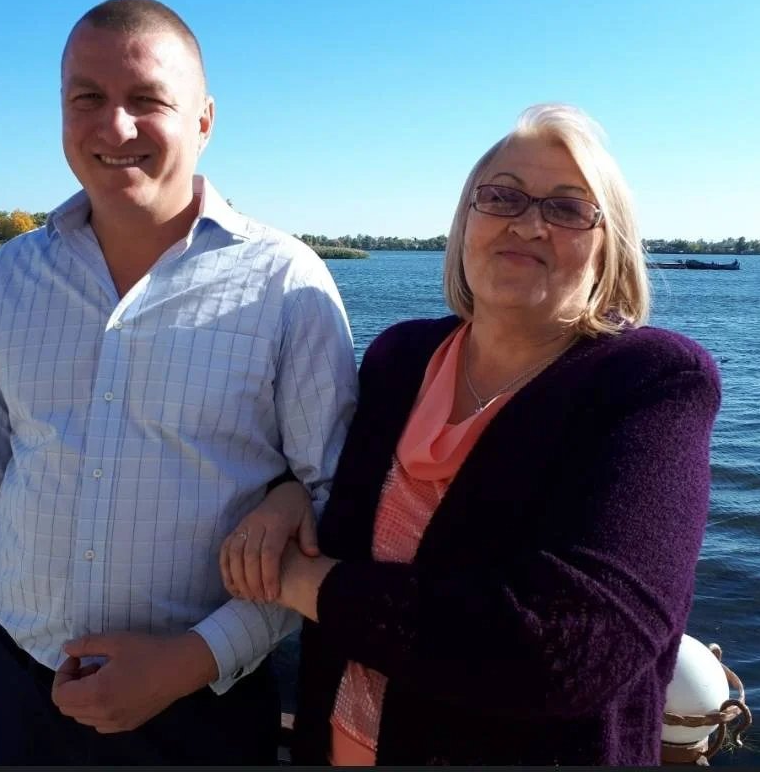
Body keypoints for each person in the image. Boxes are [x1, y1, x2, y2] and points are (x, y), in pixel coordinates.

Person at [0, 0, 357, 766]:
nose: (115, 128)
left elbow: (330, 501)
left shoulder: (286, 283)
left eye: (147, 100)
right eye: (88, 99)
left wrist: (195, 657)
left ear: (204, 121)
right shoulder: (8, 277)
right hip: (16, 691)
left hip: (199, 711)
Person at [222, 104, 721, 765]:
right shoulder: (399, 359)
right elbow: (333, 483)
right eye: (501, 196)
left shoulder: (647, 381)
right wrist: (289, 494)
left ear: (609, 243)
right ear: (466, 221)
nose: (527, 222)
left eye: (567, 208)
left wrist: (297, 581)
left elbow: (567, 647)